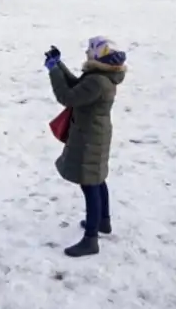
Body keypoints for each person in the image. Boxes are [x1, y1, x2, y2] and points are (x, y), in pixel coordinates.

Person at [46, 37, 127, 257]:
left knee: (89, 183)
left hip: (89, 136)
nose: (86, 54)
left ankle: (91, 239)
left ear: (99, 56)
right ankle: (103, 222)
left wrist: (53, 72)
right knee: (97, 178)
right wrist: (59, 64)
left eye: (90, 52)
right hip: (95, 133)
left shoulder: (98, 82)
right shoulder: (102, 77)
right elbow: (77, 87)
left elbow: (68, 97)